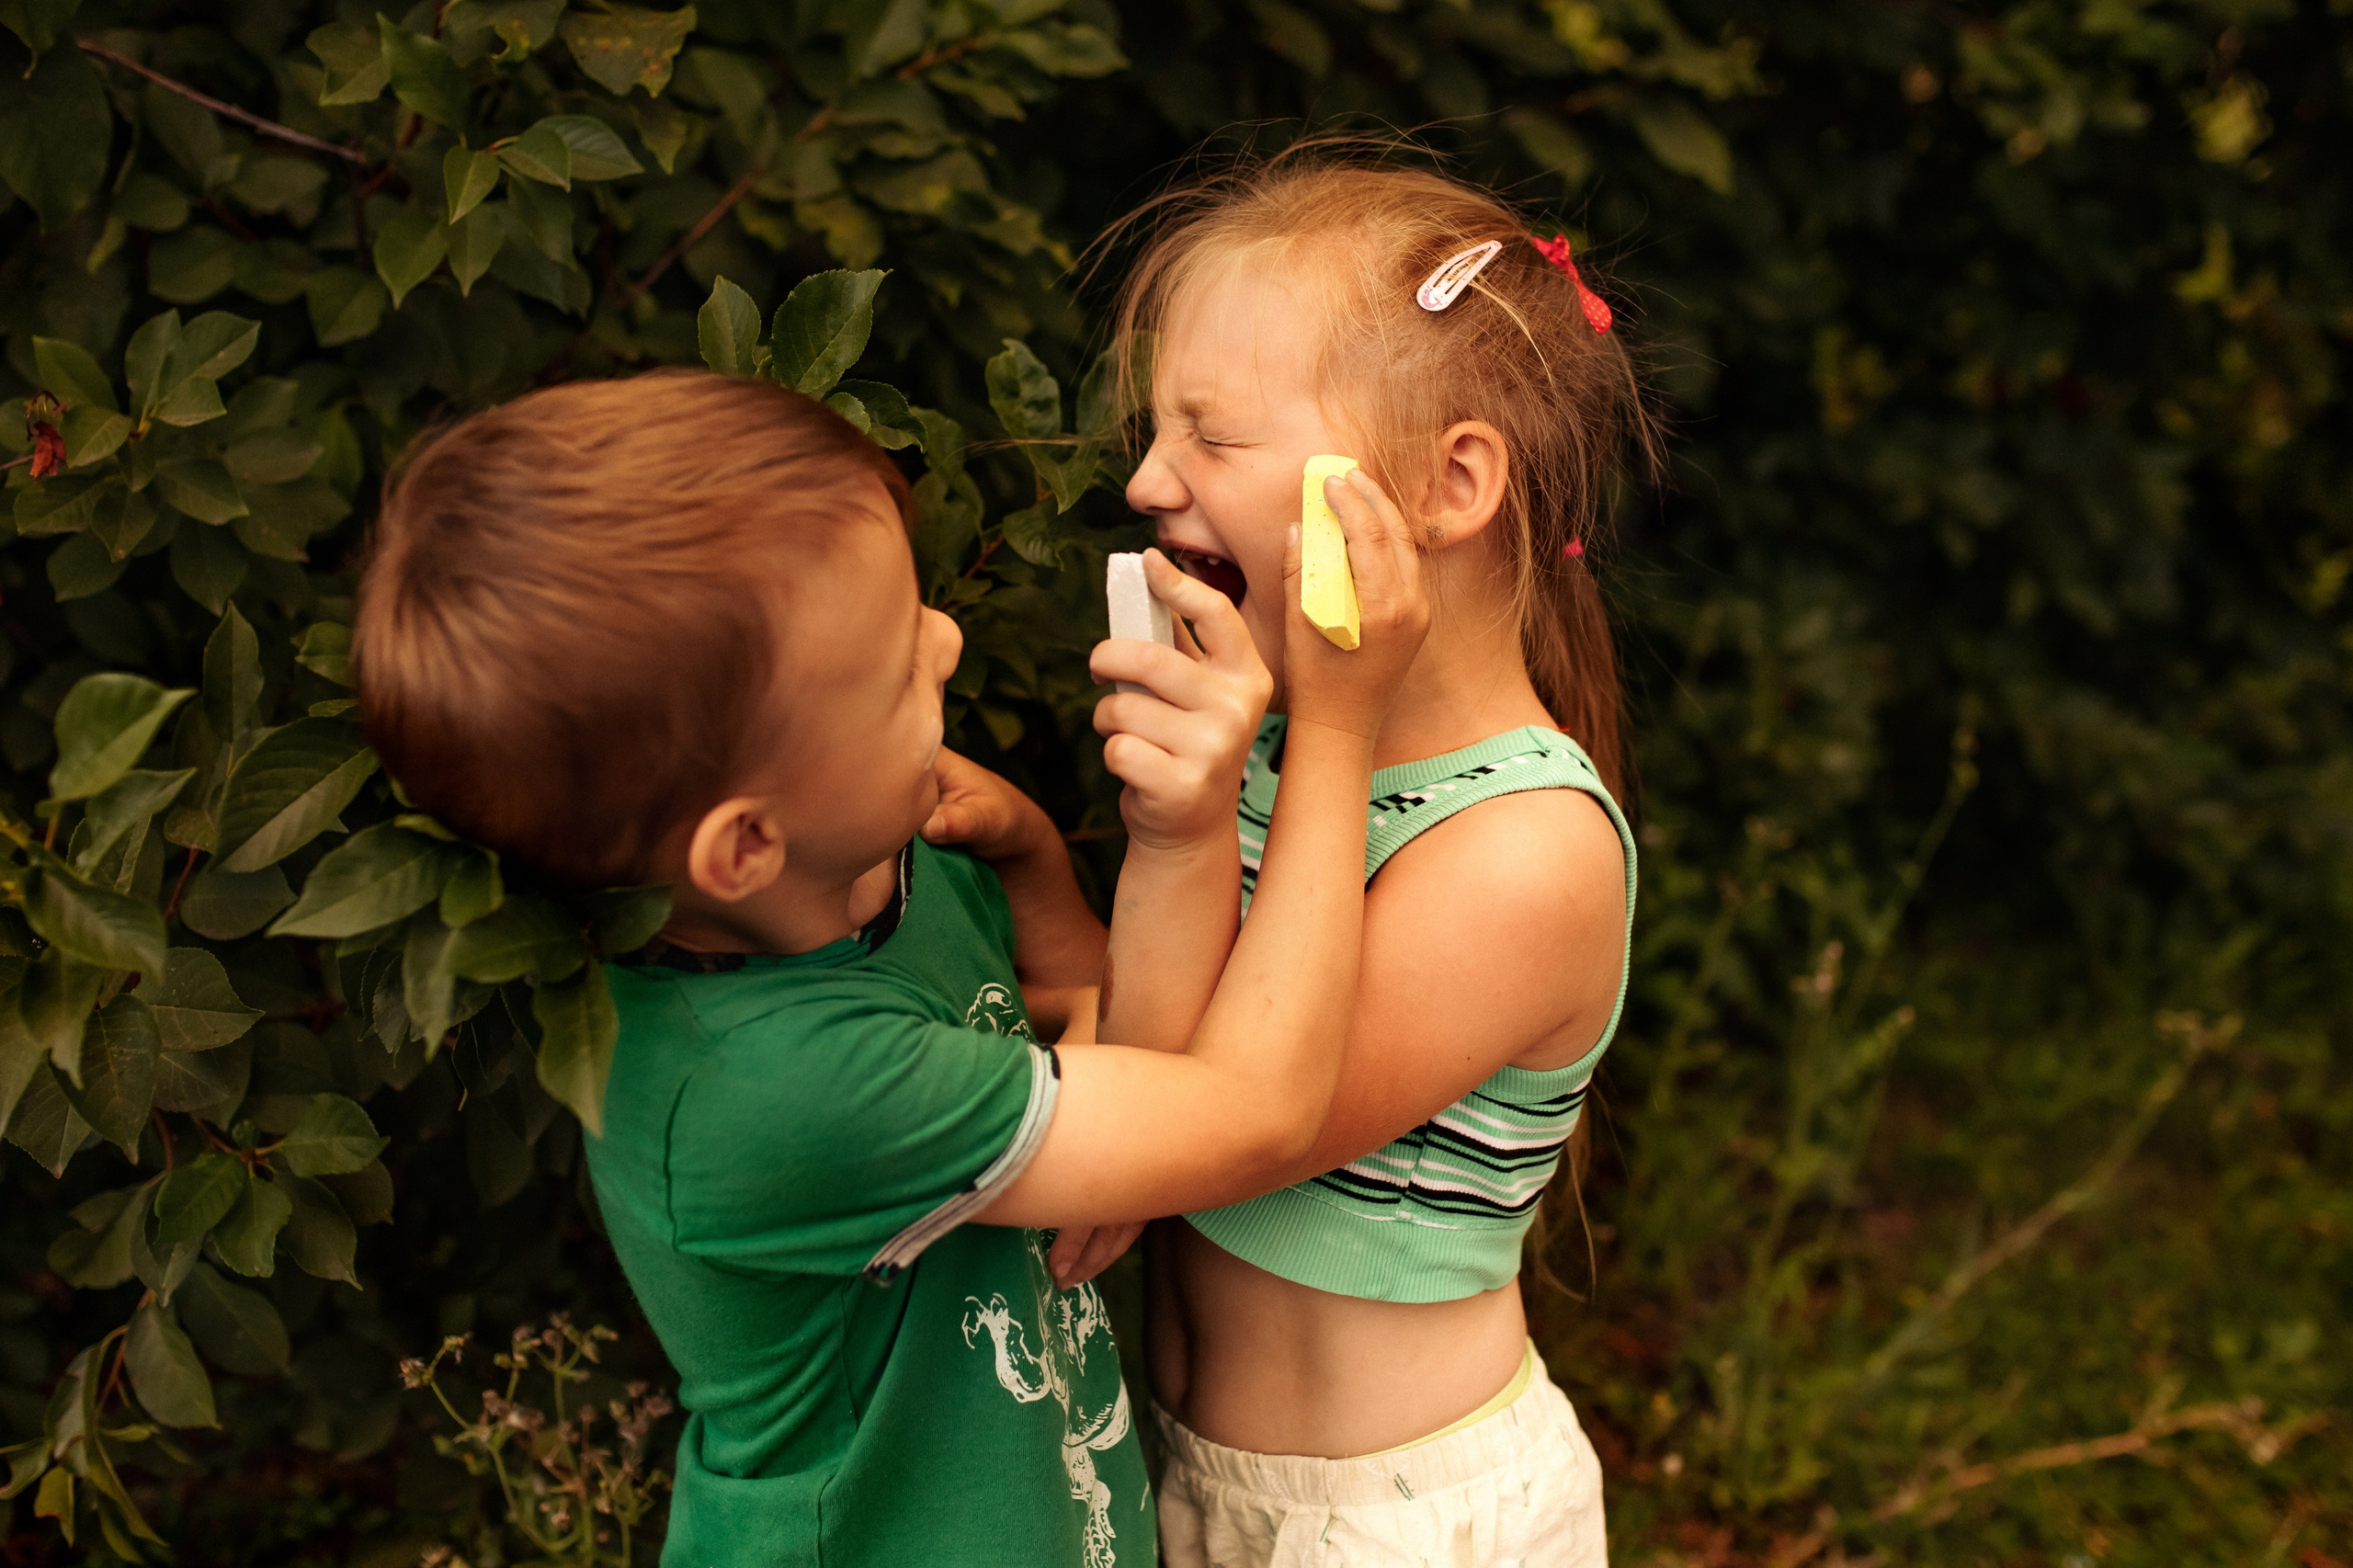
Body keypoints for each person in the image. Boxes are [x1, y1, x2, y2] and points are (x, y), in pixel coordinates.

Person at [350, 369, 1428, 1567]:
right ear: (747, 842)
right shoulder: (767, 1082)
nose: (950, 637)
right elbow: (1254, 1112)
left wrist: (1047, 865)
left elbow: (1121, 1056)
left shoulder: (861, 874)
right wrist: (1337, 730)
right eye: (894, 664)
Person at [1117, 154, 1650, 1565]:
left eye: (1211, 438)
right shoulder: (1288, 753)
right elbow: (1152, 1044)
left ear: (1448, 482)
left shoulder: (1527, 849)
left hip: (1387, 1522)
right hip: (1196, 1479)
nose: (1146, 478)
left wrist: (1312, 742)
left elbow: (1214, 1127)